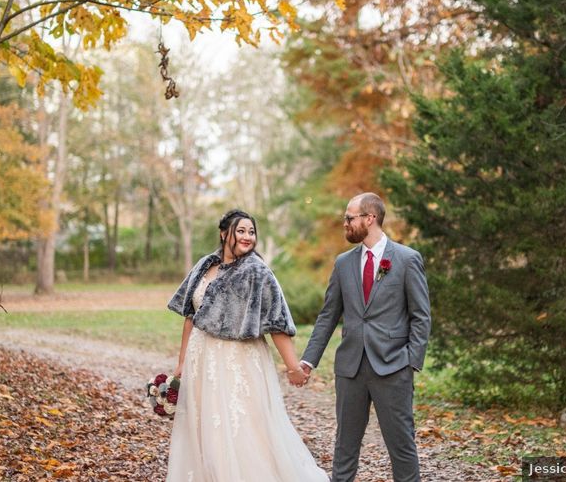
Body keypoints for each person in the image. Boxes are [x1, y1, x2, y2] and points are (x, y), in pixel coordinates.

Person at [165, 209, 328, 482]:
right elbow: (190, 316)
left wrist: (293, 367)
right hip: (201, 360)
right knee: (204, 426)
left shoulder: (257, 271)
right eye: (241, 231)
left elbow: (277, 322)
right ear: (223, 233)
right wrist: (181, 363)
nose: (247, 237)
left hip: (238, 360)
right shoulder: (205, 265)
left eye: (251, 232)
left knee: (241, 427)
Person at [301, 193, 431, 482]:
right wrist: (309, 359)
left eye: (350, 218)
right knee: (344, 448)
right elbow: (328, 316)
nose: (345, 223)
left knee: (402, 447)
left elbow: (421, 316)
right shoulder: (343, 263)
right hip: (350, 370)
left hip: (393, 367)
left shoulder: (407, 260)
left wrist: (411, 361)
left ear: (369, 218)